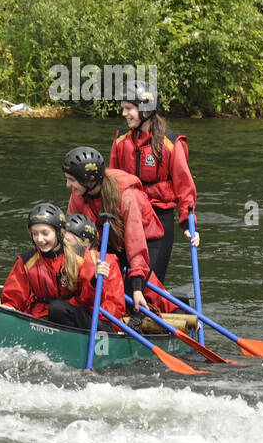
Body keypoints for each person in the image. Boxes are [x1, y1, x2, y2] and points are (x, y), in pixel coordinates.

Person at [61, 146, 175, 314]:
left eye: (71, 180)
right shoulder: (78, 193)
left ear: (90, 179)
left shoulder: (128, 196)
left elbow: (135, 243)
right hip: (110, 239)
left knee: (131, 293)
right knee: (93, 285)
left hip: (145, 241)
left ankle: (171, 309)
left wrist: (137, 287)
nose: (67, 185)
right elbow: (72, 235)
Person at [109, 80, 198, 284]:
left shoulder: (171, 144)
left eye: (129, 109)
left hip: (159, 218)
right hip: (127, 217)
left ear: (146, 111)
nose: (124, 114)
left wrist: (187, 222)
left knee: (150, 283)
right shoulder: (121, 141)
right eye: (123, 108)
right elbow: (112, 181)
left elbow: (185, 187)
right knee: (122, 279)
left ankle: (149, 310)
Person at [0, 202, 104, 329]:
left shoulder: (82, 257)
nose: (39, 239)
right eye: (35, 233)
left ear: (59, 232)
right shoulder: (27, 261)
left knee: (57, 308)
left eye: (45, 233)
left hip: (75, 315)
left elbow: (89, 299)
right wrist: (0, 315)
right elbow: (13, 297)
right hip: (42, 316)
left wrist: (94, 279)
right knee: (51, 311)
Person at [62, 213, 125, 322]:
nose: (66, 248)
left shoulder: (105, 261)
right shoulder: (62, 259)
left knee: (58, 308)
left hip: (102, 316)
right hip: (82, 310)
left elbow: (114, 308)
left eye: (68, 242)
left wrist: (94, 280)